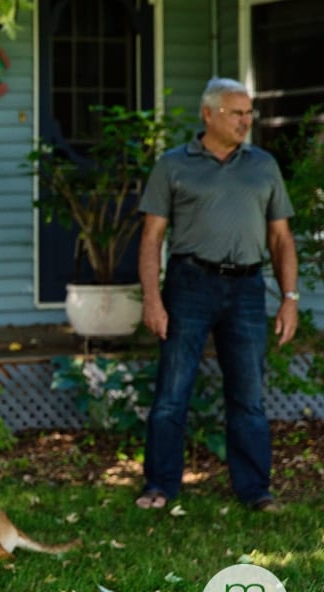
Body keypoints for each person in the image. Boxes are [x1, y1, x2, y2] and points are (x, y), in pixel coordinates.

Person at [135, 77, 299, 512]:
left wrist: (289, 297)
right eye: (237, 113)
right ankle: (159, 485)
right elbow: (151, 238)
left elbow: (281, 238)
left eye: (249, 113)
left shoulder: (263, 165)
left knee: (248, 395)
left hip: (247, 288)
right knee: (172, 392)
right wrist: (152, 299)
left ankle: (255, 490)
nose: (246, 121)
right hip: (190, 284)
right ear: (208, 115)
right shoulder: (173, 165)